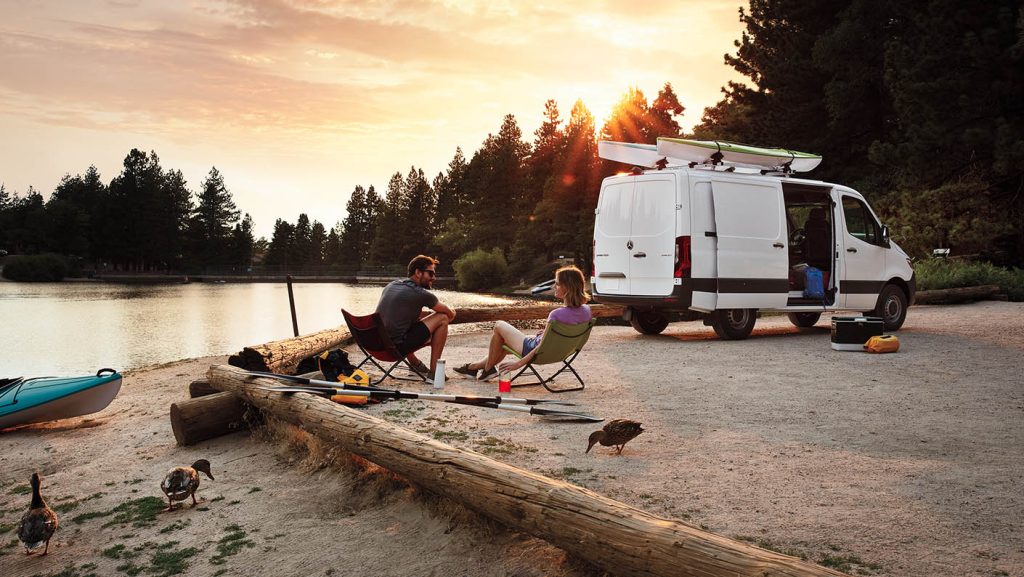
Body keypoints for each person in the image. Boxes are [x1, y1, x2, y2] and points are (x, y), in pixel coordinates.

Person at [453, 265, 591, 381]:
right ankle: (473, 368)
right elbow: (565, 338)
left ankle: (486, 369)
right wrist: (546, 335)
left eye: (557, 283)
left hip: (536, 351)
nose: (554, 286)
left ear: (567, 287)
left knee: (499, 325)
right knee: (502, 342)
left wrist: (517, 364)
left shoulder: (556, 314)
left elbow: (540, 347)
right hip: (561, 353)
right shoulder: (586, 311)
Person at [375, 255, 456, 377]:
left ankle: (414, 364)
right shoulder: (421, 294)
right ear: (418, 272)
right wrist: (452, 312)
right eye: (430, 273)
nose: (434, 278)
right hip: (394, 350)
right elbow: (448, 314)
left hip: (376, 344)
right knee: (442, 318)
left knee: (403, 329)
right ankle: (435, 373)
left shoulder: (392, 285)